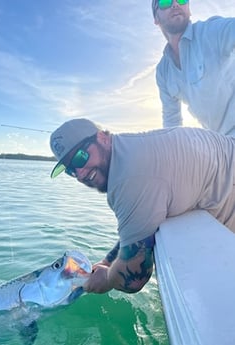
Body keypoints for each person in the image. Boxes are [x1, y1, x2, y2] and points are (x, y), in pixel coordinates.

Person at [50, 118, 235, 294]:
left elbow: (134, 279)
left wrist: (104, 279)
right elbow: (139, 226)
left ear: (102, 137)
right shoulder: (130, 150)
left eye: (80, 158)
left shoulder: (129, 178)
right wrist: (107, 262)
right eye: (70, 170)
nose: (80, 174)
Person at [152, 0, 235, 136]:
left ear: (189, 10)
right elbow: (171, 123)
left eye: (182, 0)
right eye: (165, 1)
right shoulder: (163, 72)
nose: (175, 4)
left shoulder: (212, 31)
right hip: (220, 145)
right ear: (156, 18)